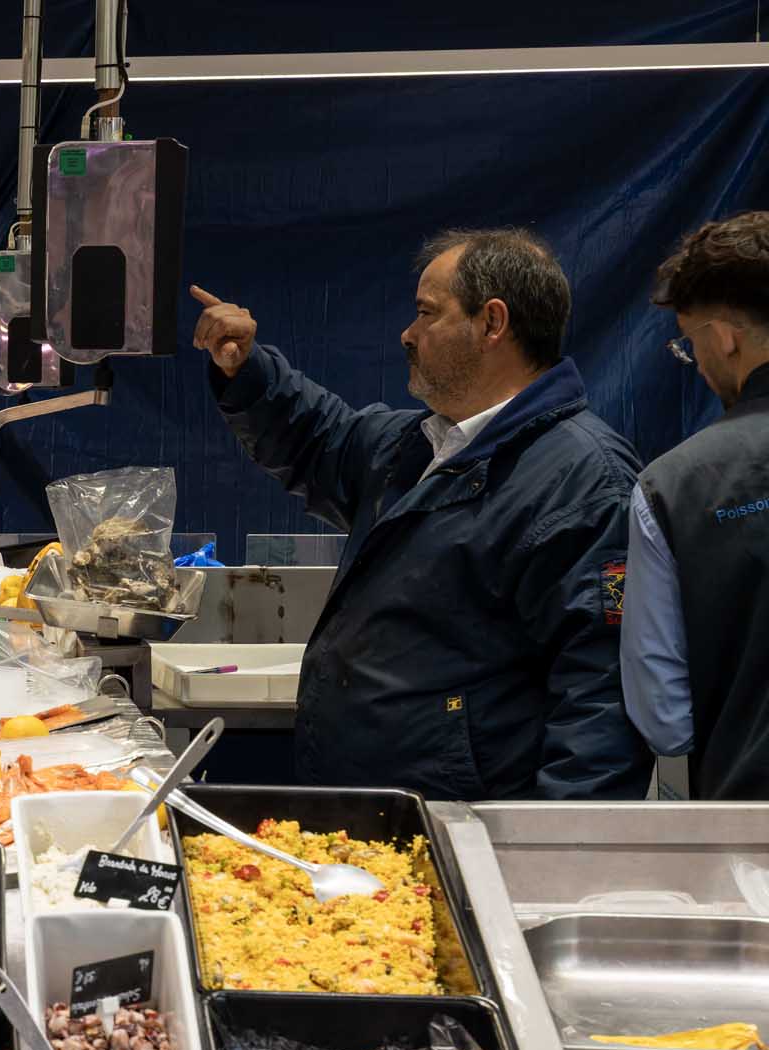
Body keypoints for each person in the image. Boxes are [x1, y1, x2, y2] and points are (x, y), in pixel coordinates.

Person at [190, 228, 649, 799]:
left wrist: (558, 844)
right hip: (378, 810)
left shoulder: (583, 480)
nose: (407, 334)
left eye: (427, 313)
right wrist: (247, 371)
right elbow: (319, 436)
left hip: (467, 824)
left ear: (492, 323)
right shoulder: (419, 446)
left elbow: (600, 699)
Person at [622, 211, 769, 798]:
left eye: (690, 342)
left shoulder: (671, 486)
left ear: (725, 336)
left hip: (747, 819)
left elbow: (663, 715)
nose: (698, 362)